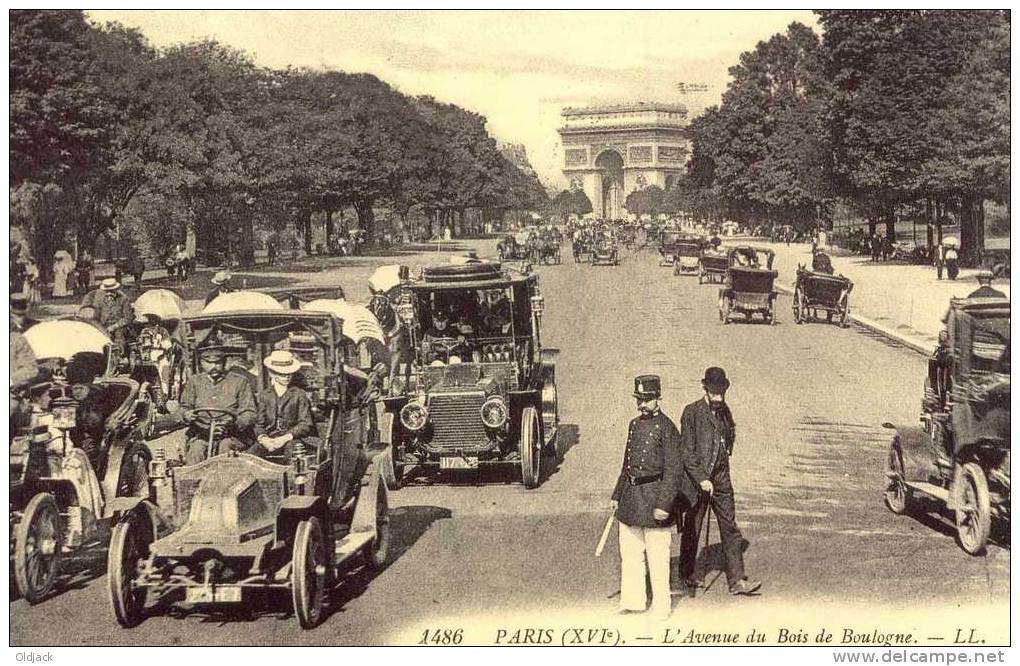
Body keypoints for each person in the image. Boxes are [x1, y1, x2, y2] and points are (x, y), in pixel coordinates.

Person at [675, 367, 762, 597]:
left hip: (722, 479)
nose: (719, 398)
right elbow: (686, 452)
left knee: (730, 528)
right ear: (705, 389)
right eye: (714, 393)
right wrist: (702, 478)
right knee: (693, 528)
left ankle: (737, 581)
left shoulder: (724, 410)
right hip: (699, 480)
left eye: (722, 392)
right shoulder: (692, 412)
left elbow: (729, 434)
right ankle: (686, 575)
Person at [609, 375, 682, 620]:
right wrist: (617, 494)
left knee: (658, 557)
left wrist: (664, 504)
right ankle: (633, 600)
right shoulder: (633, 425)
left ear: (658, 399)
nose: (642, 405)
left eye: (647, 400)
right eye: (639, 399)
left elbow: (674, 471)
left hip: (654, 499)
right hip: (631, 500)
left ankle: (662, 606)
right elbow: (626, 464)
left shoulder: (668, 428)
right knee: (630, 554)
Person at [164, 346, 257, 465]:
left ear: (224, 362)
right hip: (202, 433)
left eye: (218, 363)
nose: (213, 367)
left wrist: (235, 423)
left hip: (232, 435)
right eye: (208, 363)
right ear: (201, 363)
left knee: (226, 449)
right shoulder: (194, 382)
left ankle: (226, 482)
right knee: (196, 450)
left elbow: (249, 413)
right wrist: (186, 415)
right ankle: (193, 482)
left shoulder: (239, 382)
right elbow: (184, 407)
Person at [248, 350, 319, 460]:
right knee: (250, 456)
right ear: (272, 373)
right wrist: (264, 439)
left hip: (293, 439)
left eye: (289, 373)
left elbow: (305, 424)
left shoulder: (299, 394)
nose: (287, 377)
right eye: (281, 374)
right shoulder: (265, 395)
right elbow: (259, 424)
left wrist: (285, 438)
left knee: (293, 453)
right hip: (270, 439)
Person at [81, 278, 134, 344]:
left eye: (111, 291)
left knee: (119, 335)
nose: (109, 293)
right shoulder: (100, 299)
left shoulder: (123, 299)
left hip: (120, 326)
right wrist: (99, 327)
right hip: (104, 326)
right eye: (107, 291)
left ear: (116, 289)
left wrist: (114, 326)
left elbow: (128, 318)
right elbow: (96, 316)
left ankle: (118, 352)